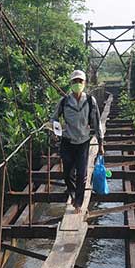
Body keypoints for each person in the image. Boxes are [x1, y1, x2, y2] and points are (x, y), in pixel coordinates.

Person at [49, 69, 104, 213]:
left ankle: (78, 203)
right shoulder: (64, 101)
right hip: (67, 141)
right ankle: (72, 194)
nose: (77, 84)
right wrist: (55, 132)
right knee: (67, 174)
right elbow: (54, 118)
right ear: (71, 83)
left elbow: (97, 122)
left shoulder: (91, 101)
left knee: (82, 174)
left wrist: (100, 143)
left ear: (84, 83)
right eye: (75, 81)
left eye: (80, 81)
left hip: (83, 142)